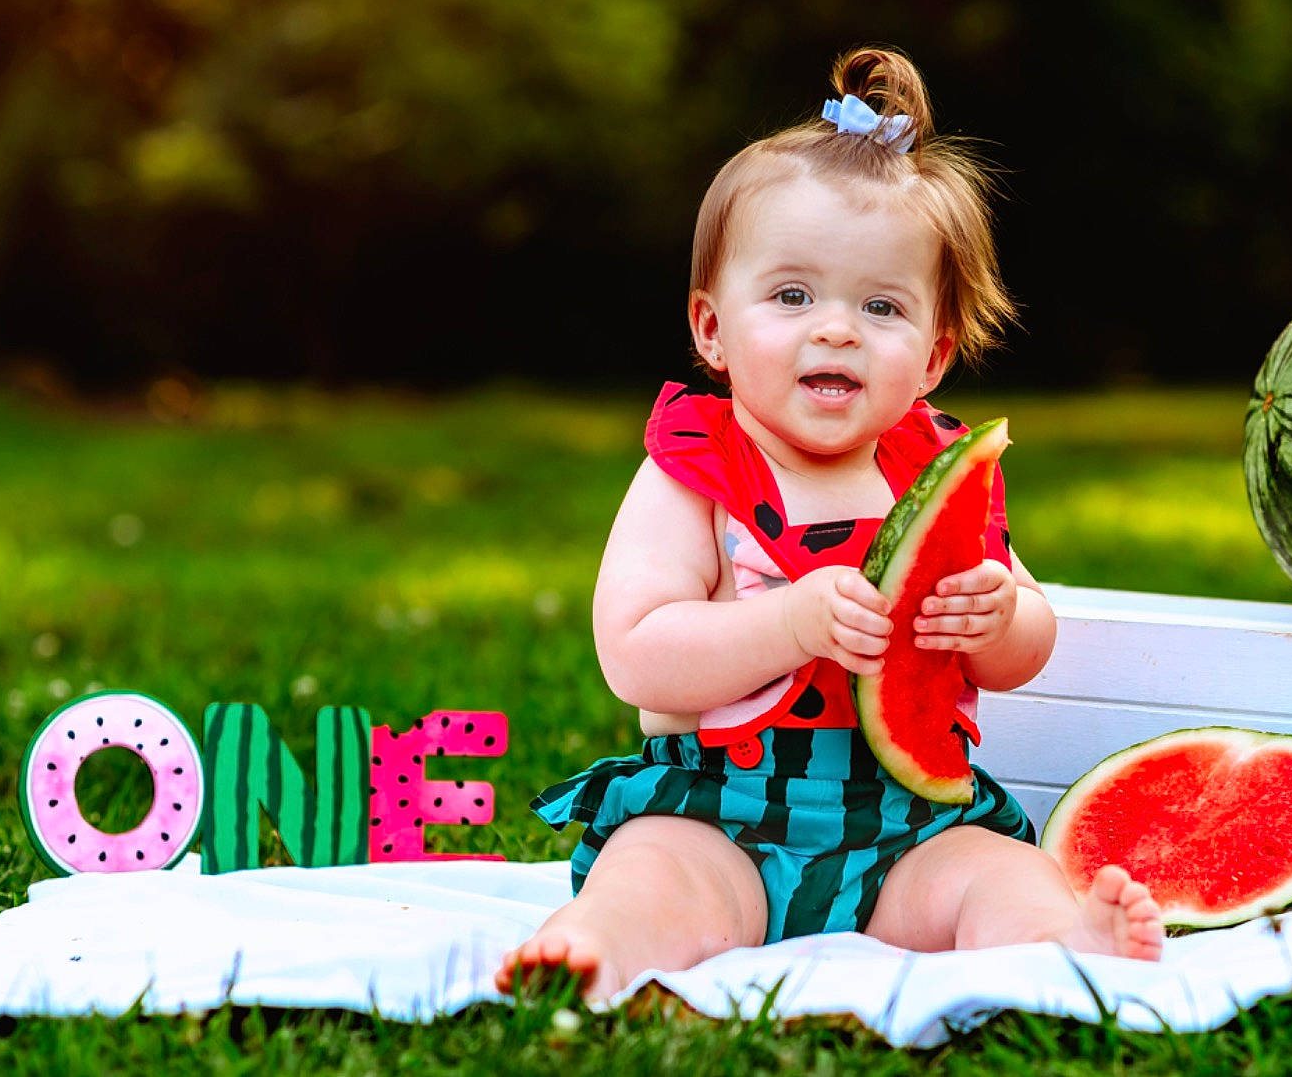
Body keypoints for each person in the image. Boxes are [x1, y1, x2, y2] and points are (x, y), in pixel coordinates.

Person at [496, 48, 1162, 999]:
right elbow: (635, 654)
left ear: (932, 357)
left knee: (994, 871)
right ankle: (594, 947)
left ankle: (1058, 940)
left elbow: (1022, 648)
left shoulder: (935, 474)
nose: (837, 328)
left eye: (880, 305)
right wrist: (787, 622)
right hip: (720, 815)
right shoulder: (694, 473)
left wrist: (1002, 618)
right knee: (650, 872)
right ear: (713, 330)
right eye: (793, 295)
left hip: (904, 827)